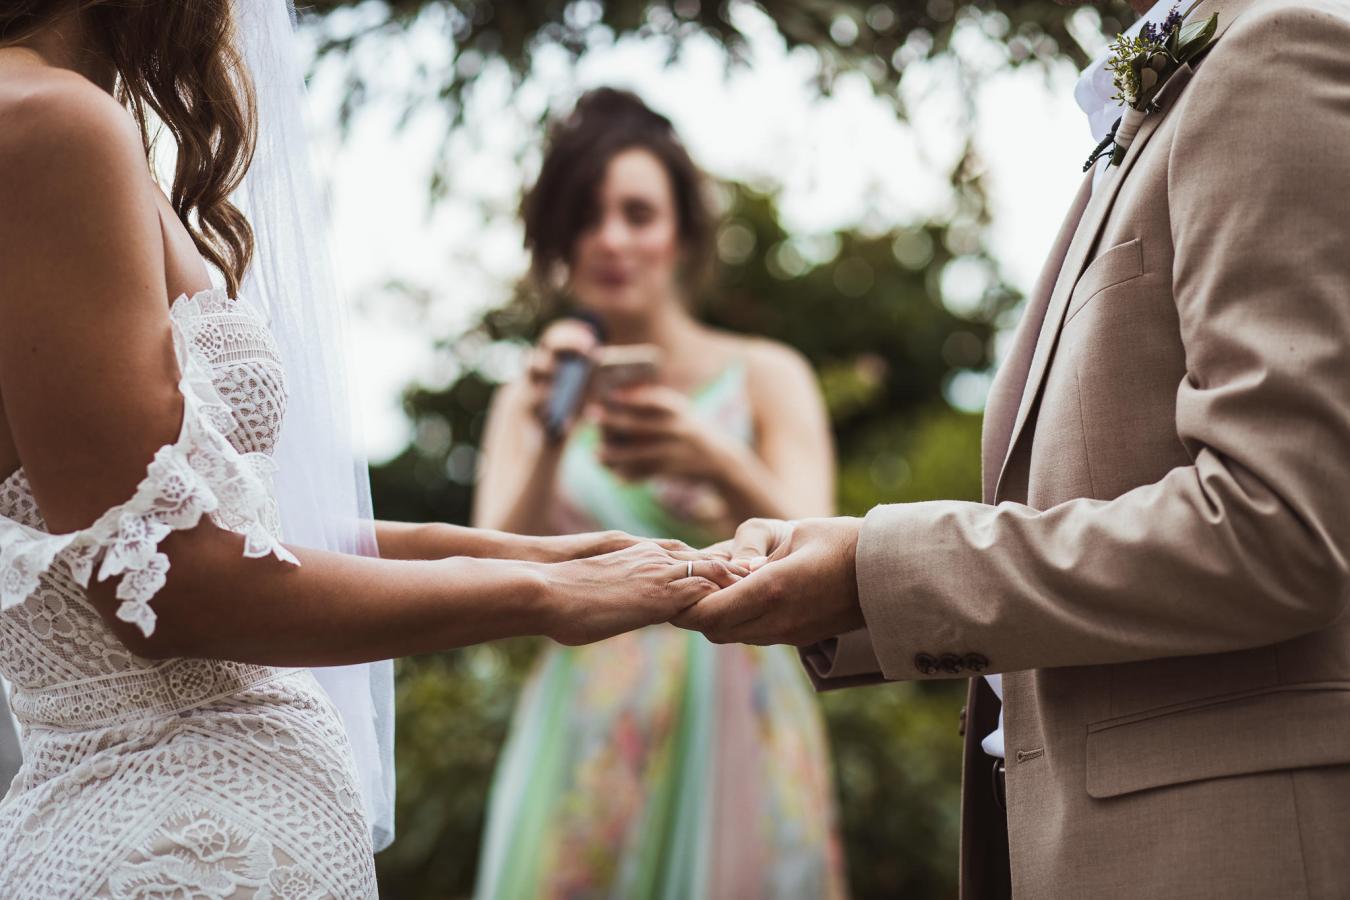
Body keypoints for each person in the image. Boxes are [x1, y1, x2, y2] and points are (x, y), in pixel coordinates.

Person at [0, 4, 740, 895]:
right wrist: (540, 594)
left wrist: (541, 556)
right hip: (181, 844)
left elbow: (241, 529)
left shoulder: (56, 120)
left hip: (186, 822)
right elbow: (159, 579)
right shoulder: (51, 124)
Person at [676, 0, 1350, 896]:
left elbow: (1278, 527)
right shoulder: (1174, 82)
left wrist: (879, 569)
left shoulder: (1276, 50)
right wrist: (856, 593)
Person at [472, 89, 847, 899]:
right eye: (585, 216)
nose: (610, 240)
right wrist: (547, 427)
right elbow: (488, 572)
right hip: (588, 731)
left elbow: (824, 543)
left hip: (740, 709)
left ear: (680, 231)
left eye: (637, 213)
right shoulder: (530, 396)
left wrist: (712, 456)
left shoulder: (767, 374)